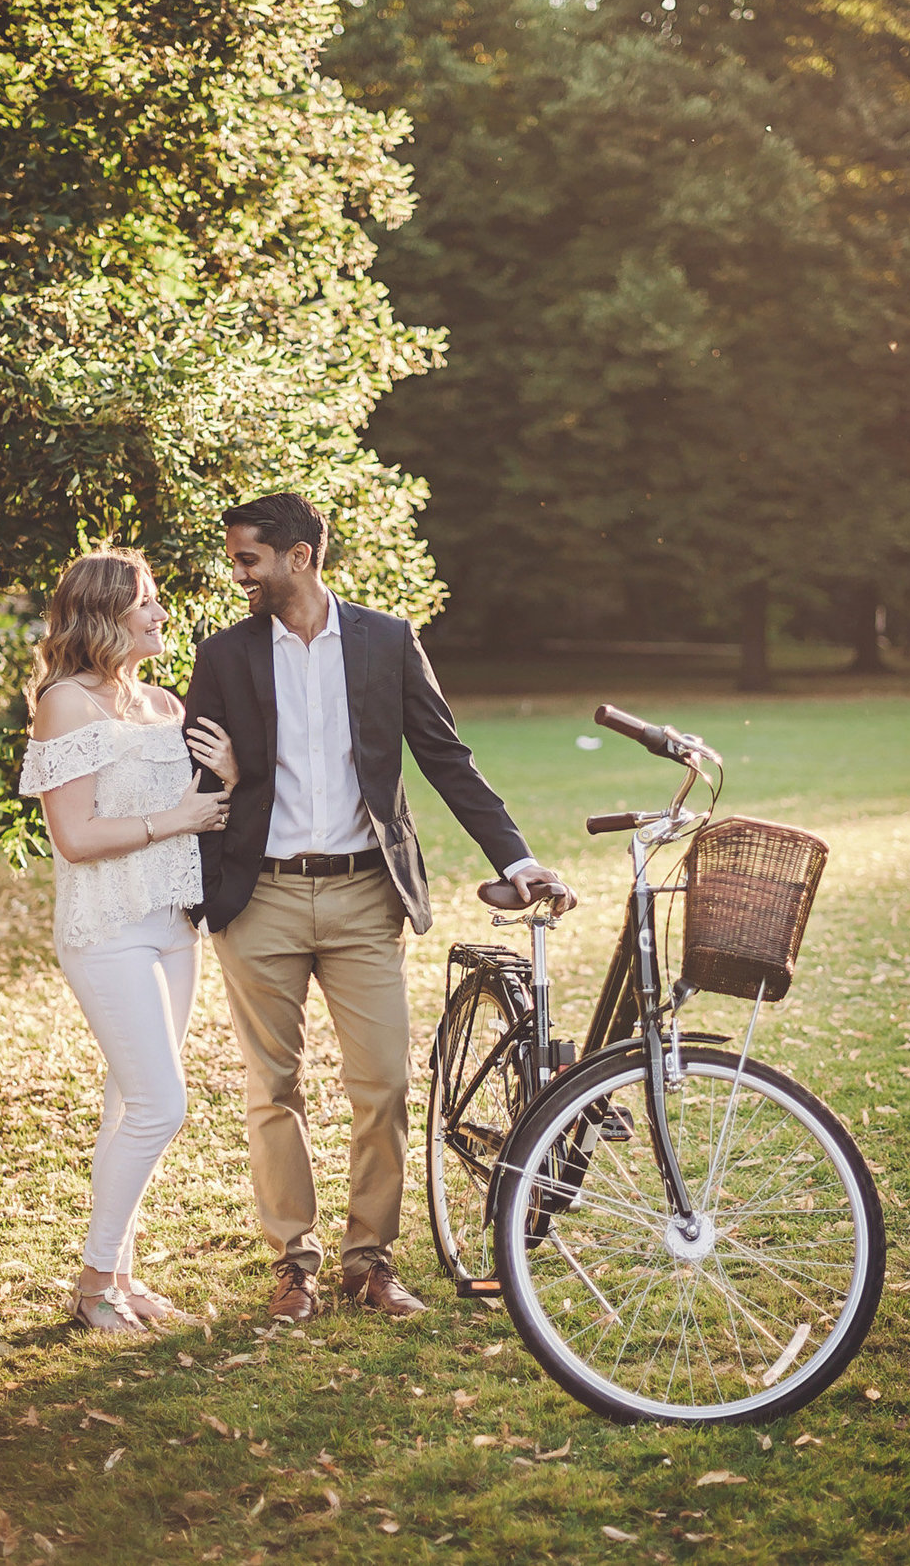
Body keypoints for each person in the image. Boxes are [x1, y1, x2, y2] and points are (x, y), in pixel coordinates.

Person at [183, 493, 574, 1322]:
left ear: (300, 556)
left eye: (248, 558)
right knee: (272, 1085)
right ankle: (295, 1260)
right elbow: (198, 778)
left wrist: (518, 855)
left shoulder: (388, 640)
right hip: (261, 898)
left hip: (367, 893)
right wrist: (204, 885)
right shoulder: (222, 652)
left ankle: (369, 1258)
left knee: (385, 1083)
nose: (238, 574)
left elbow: (444, 756)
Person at [19, 548, 238, 1335]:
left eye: (156, 600)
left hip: (172, 924)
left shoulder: (165, 706)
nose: (159, 614)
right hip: (105, 928)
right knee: (161, 1104)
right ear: (103, 614)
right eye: (144, 602)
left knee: (126, 1107)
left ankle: (118, 1275)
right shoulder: (65, 703)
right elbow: (74, 835)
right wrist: (174, 818)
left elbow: (201, 807)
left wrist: (230, 777)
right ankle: (91, 1284)